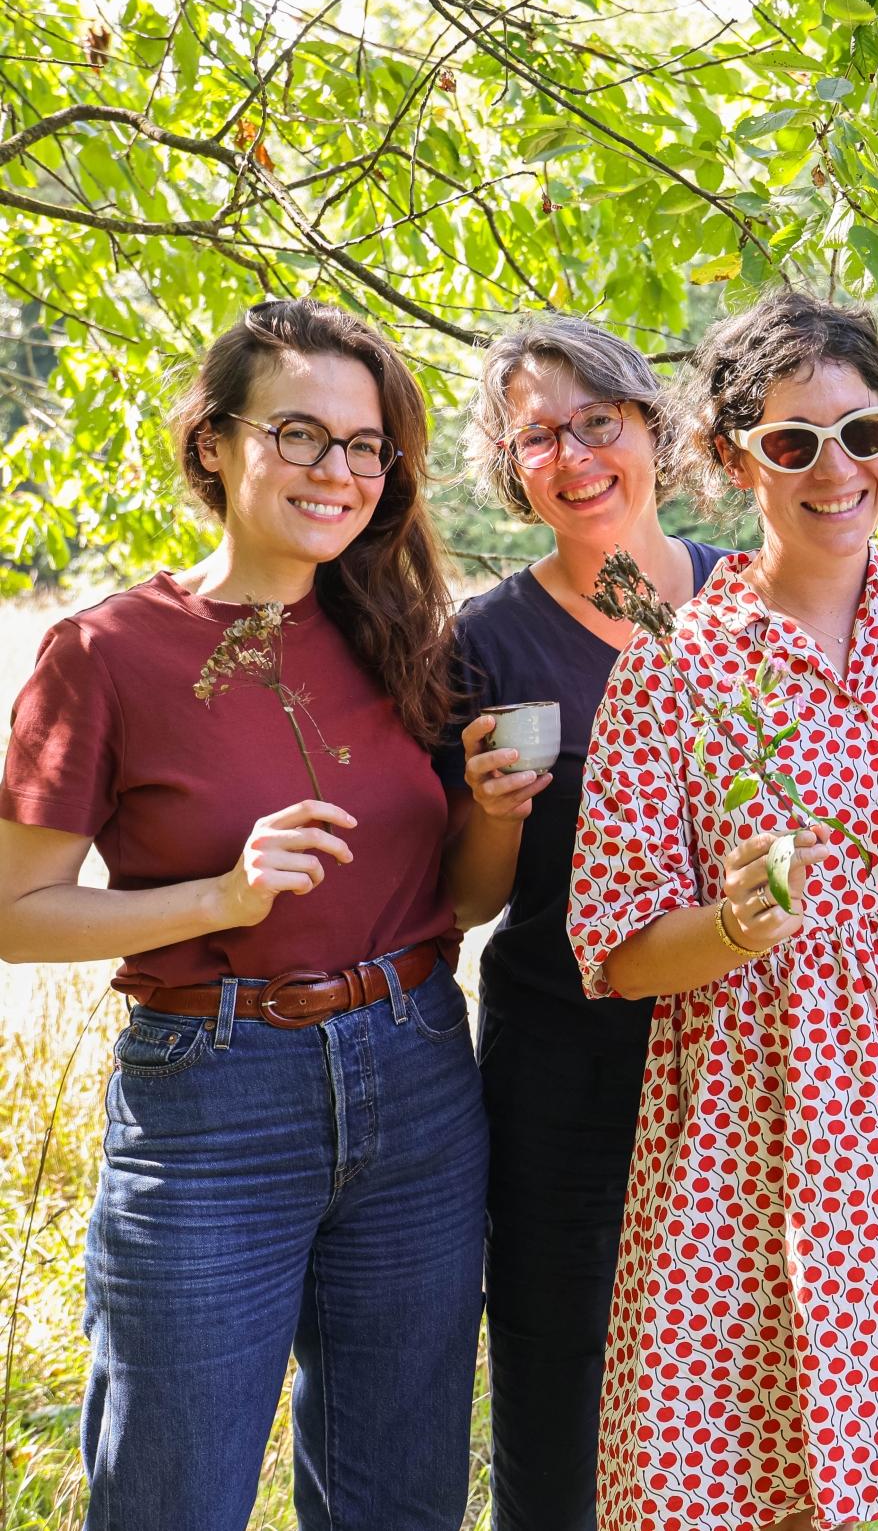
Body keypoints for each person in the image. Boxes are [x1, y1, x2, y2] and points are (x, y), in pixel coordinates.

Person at [0, 298, 531, 1530]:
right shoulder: (108, 651)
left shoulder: (400, 631)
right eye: (300, 433)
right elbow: (17, 912)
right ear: (215, 445)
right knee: (174, 1494)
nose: (336, 471)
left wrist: (495, 810)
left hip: (416, 1074)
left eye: (363, 446)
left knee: (399, 1498)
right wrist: (218, 898)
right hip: (212, 1096)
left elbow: (459, 896)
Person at [565, 290, 878, 1531]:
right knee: (760, 1461)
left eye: (864, 431)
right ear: (735, 460)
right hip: (760, 1105)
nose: (836, 469)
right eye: (793, 442)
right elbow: (617, 952)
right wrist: (733, 926)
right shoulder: (674, 665)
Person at [435, 316, 732, 1531]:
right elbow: (464, 902)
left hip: (741, 1061)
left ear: (651, 428)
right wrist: (496, 813)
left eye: (596, 420)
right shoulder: (484, 639)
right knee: (562, 1387)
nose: (575, 453)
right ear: (513, 470)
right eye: (539, 434)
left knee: (734, 1388)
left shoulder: (749, 594)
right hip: (566, 1063)